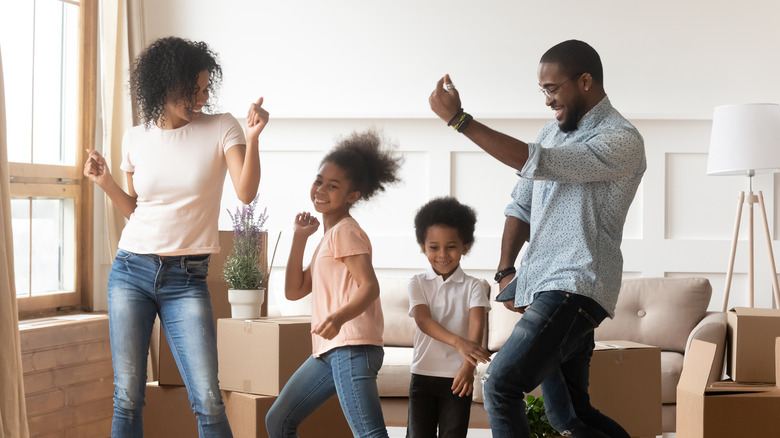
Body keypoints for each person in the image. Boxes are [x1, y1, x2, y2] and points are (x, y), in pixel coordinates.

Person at [428, 40, 646, 438]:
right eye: (542, 90)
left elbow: (538, 162)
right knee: (571, 417)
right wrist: (506, 272)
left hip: (576, 287)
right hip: (548, 286)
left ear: (584, 81)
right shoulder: (551, 132)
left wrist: (460, 120)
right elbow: (521, 207)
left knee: (500, 383)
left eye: (552, 88)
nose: (547, 101)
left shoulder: (621, 139)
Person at [83, 36, 269, 437]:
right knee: (128, 396)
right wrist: (107, 183)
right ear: (167, 86)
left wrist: (253, 140)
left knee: (206, 396)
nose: (202, 97)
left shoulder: (222, 127)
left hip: (186, 278)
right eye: (194, 89)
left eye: (206, 88)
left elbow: (246, 193)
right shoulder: (135, 138)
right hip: (130, 269)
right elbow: (137, 209)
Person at [265, 129, 402, 438]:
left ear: (352, 197)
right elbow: (294, 290)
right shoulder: (329, 237)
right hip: (330, 350)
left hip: (352, 346)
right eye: (318, 181)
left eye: (333, 185)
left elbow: (370, 286)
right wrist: (300, 238)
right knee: (278, 421)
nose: (321, 189)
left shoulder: (345, 232)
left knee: (370, 435)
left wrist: (338, 317)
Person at [406, 197, 492, 438]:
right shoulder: (417, 283)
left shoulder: (474, 286)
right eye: (434, 247)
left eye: (451, 246)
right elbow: (424, 322)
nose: (442, 254)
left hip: (458, 377)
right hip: (422, 374)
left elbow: (477, 327)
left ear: (465, 246)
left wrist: (468, 368)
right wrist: (458, 342)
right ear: (423, 247)